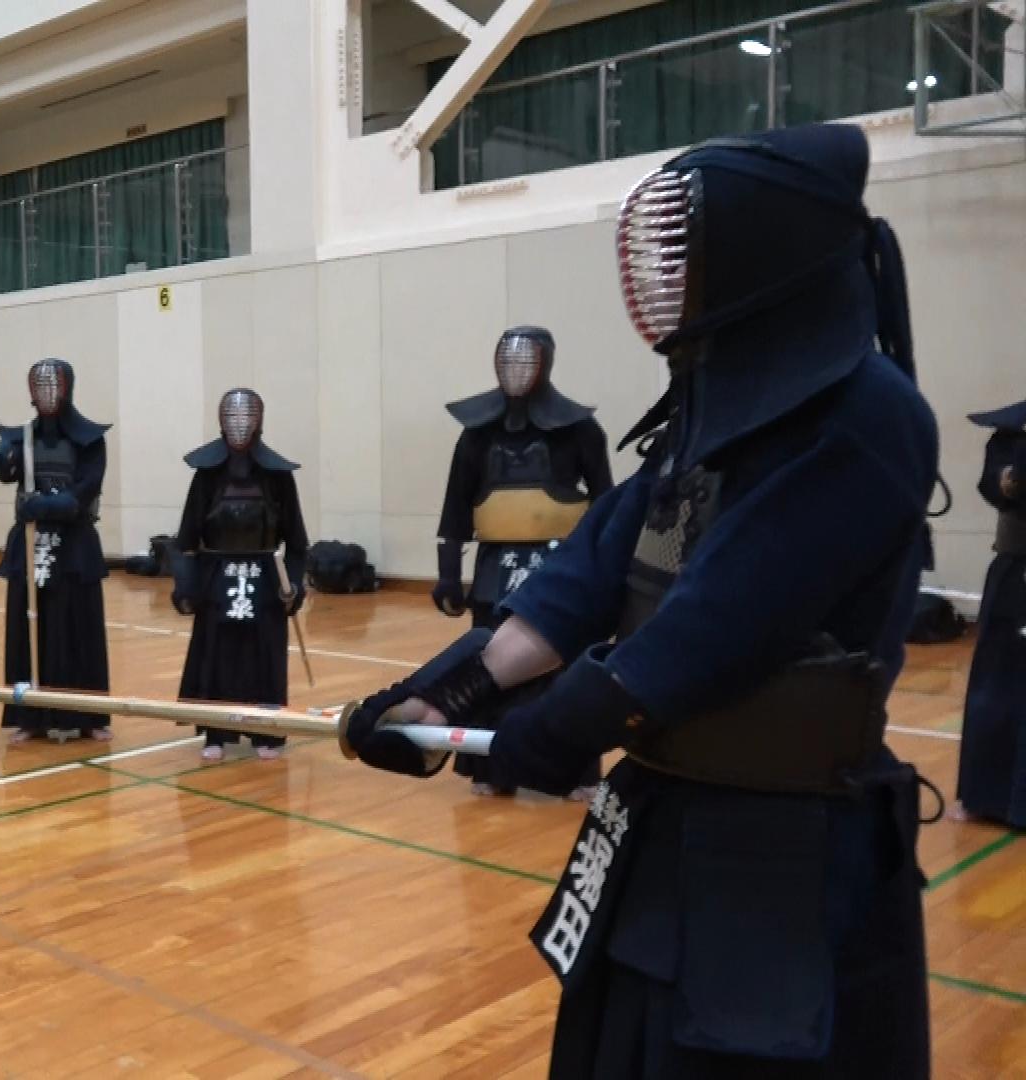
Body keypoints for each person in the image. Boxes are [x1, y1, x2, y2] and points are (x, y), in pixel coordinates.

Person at [344, 125, 935, 1077]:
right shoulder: (709, 414)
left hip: (784, 852)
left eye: (689, 250)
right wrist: (442, 695)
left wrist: (557, 727)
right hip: (663, 809)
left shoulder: (866, 418)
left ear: (763, 251)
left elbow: (718, 624)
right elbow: (590, 572)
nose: (670, 276)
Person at [434, 326, 613, 796]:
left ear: (545, 364)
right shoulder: (476, 437)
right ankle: (492, 770)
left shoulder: (581, 432)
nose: (516, 370)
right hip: (495, 568)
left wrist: (608, 571)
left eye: (526, 360)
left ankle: (575, 773)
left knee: (565, 673)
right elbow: (456, 508)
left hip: (560, 569)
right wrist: (448, 573)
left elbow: (607, 505)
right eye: (508, 361)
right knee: (489, 667)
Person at [172, 388, 309, 761]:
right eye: (232, 417)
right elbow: (185, 540)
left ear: (259, 421)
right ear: (221, 421)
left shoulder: (278, 477)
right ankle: (216, 731)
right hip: (216, 578)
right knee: (216, 655)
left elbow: (298, 544)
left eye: (246, 417)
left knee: (263, 655)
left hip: (265, 580)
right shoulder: (206, 476)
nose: (239, 425)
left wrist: (293, 586)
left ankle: (266, 731)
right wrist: (186, 586)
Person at [0, 358, 112, 742]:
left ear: (68, 388)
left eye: (53, 385)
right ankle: (30, 716)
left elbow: (85, 489)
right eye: (39, 387)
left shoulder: (90, 441)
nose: (47, 394)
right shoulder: (23, 438)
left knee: (77, 627)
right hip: (31, 541)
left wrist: (48, 505)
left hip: (74, 547)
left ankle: (88, 715)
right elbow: (9, 472)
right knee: (28, 627)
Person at [956, 398, 1025, 826]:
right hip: (1018, 572)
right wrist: (1013, 477)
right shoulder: (1014, 434)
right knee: (1001, 682)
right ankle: (991, 796)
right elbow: (997, 487)